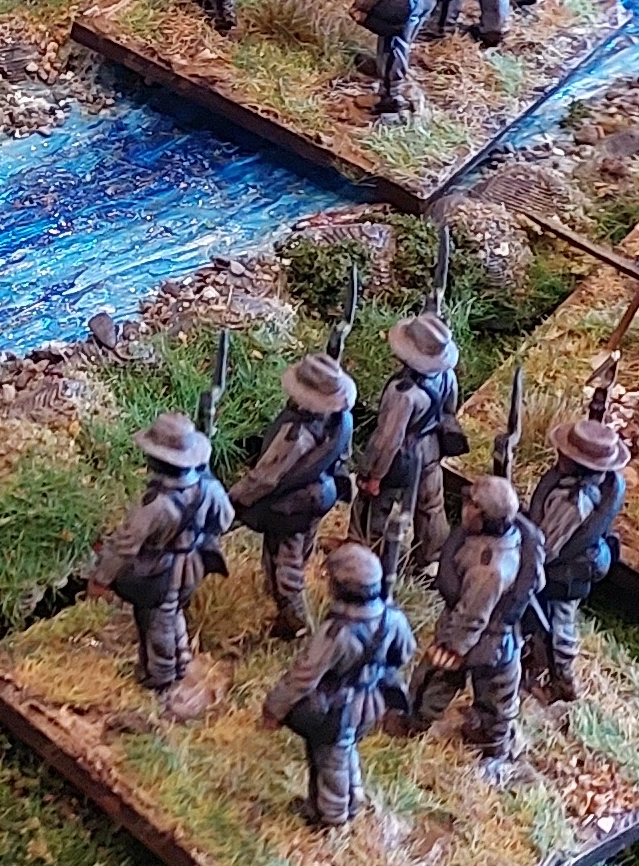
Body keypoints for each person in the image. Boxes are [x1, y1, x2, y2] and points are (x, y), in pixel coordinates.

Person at [262, 542, 415, 829]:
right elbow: (405, 652)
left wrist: (275, 706)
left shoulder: (336, 632)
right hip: (372, 699)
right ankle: (352, 797)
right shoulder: (393, 618)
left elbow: (304, 675)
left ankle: (331, 817)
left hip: (338, 707)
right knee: (346, 749)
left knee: (330, 759)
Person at [89, 411, 233, 691]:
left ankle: (162, 675)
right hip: (194, 563)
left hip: (161, 570)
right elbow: (225, 520)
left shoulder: (155, 505)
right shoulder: (210, 488)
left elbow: (125, 545)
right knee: (173, 611)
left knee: (157, 622)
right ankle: (181, 657)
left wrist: (102, 577)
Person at [407, 475, 543, 760]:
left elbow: (472, 614)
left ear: (482, 515)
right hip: (500, 637)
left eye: (471, 504)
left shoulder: (488, 570)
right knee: (498, 692)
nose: (465, 506)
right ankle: (491, 735)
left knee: (438, 677)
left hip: (480, 638)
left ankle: (415, 721)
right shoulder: (512, 536)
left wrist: (452, 647)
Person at [226, 351, 357, 638]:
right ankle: (281, 596)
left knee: (284, 562)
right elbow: (343, 458)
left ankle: (295, 620)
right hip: (320, 494)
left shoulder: (296, 434)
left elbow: (265, 477)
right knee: (301, 547)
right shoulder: (341, 421)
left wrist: (233, 499)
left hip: (293, 505)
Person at [519, 412, 630, 704]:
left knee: (559, 627)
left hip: (565, 572)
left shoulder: (573, 503)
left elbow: (547, 547)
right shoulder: (585, 484)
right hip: (566, 563)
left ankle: (563, 682)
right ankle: (538, 660)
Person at [355, 310, 460, 578]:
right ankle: (432, 557)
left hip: (402, 457)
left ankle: (364, 554)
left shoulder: (402, 393)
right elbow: (449, 410)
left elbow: (388, 439)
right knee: (431, 505)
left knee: (374, 506)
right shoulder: (446, 376)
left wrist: (374, 474)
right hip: (431, 447)